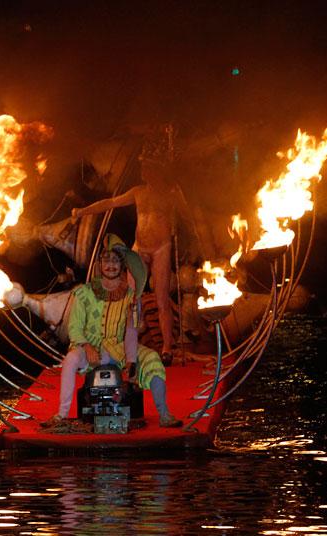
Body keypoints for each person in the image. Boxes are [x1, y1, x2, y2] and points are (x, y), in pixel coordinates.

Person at [71, 149, 214, 365]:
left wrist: (193, 239)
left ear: (157, 170)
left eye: (148, 168)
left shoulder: (171, 193)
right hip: (139, 248)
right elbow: (110, 203)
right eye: (143, 168)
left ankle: (167, 346)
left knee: (161, 299)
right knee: (131, 300)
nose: (144, 172)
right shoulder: (138, 192)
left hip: (161, 249)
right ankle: (129, 346)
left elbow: (189, 217)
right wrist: (82, 212)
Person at [43, 234, 182, 428]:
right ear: (100, 264)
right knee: (70, 360)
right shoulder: (84, 292)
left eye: (116, 261)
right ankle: (61, 414)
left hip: (118, 348)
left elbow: (131, 332)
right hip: (89, 346)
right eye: (107, 260)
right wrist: (86, 346)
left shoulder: (131, 298)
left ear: (123, 265)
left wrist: (132, 360)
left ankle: (165, 414)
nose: (111, 265)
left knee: (153, 359)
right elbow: (74, 328)